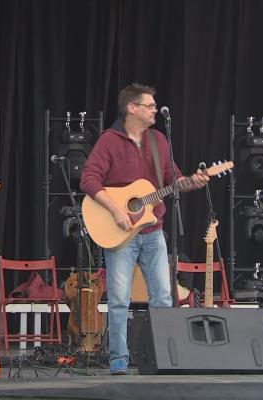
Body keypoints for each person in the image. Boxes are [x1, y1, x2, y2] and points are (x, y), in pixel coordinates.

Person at [80, 83, 209, 375]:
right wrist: (116, 210)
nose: (154, 110)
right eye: (149, 105)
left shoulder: (159, 141)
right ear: (132, 108)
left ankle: (163, 357)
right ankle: (118, 362)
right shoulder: (109, 140)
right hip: (119, 233)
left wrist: (192, 181)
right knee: (119, 300)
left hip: (153, 231)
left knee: (164, 296)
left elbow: (171, 178)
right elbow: (88, 179)